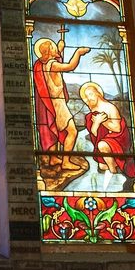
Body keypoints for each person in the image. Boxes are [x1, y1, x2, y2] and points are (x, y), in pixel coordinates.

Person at [32, 37, 90, 171]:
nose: (55, 49)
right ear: (48, 52)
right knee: (72, 131)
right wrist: (78, 53)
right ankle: (66, 162)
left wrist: (60, 49)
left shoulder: (41, 64)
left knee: (55, 130)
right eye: (53, 47)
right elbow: (70, 66)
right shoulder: (52, 65)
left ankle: (53, 158)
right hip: (58, 105)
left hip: (53, 103)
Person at [79, 82, 135, 190]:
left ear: (98, 93)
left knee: (102, 145)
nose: (89, 98)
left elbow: (118, 128)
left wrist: (103, 121)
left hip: (118, 139)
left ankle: (114, 173)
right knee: (102, 165)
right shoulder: (91, 114)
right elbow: (94, 133)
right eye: (86, 96)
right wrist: (97, 122)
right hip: (105, 140)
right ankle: (115, 169)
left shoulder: (110, 107)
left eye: (90, 94)